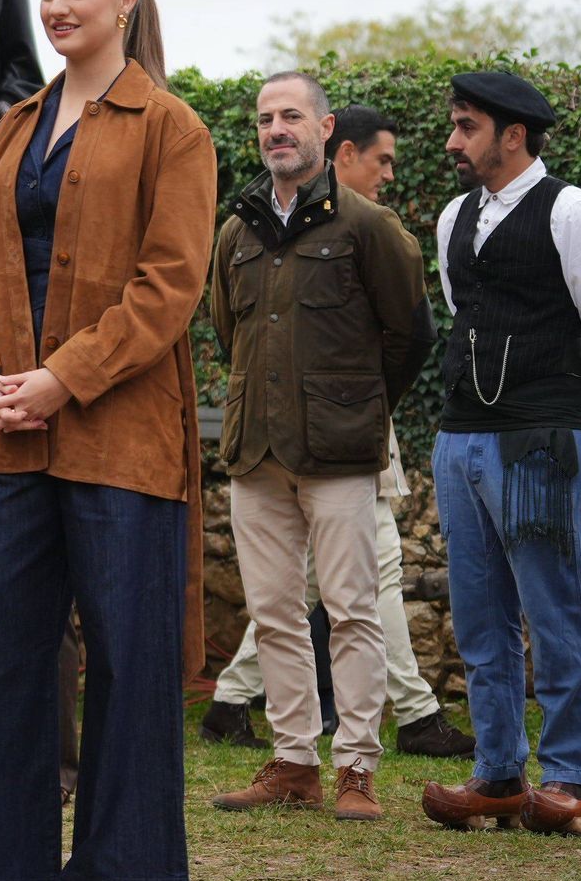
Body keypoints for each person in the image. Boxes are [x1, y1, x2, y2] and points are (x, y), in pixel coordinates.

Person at [0, 0, 216, 881]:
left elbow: (170, 286)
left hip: (122, 442)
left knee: (131, 678)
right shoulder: (12, 129)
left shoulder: (172, 128)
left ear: (126, 2)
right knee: (0, 675)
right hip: (4, 440)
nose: (57, 7)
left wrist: (63, 379)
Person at [203, 105, 476, 760]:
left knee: (326, 581)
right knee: (348, 579)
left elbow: (408, 337)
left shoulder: (373, 231)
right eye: (381, 160)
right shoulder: (255, 230)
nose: (388, 173)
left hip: (355, 426)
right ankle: (410, 714)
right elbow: (231, 330)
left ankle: (237, 699)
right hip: (309, 434)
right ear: (343, 151)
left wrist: (363, 405)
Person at [420, 71, 581, 836]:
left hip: (540, 437)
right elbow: (462, 309)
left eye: (466, 127)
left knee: (555, 611)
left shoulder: (573, 213)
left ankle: (572, 776)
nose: (452, 142)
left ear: (513, 135)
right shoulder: (454, 217)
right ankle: (501, 774)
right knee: (479, 619)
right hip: (459, 437)